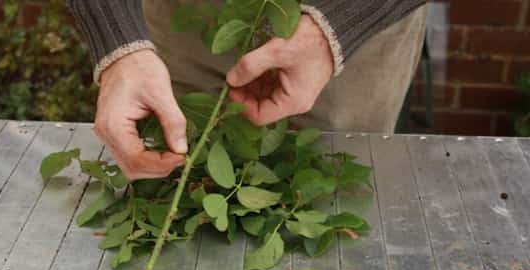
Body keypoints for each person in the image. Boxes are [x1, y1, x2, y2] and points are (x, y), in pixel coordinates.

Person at [67, 0, 428, 180]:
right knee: (174, 175)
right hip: (187, 20)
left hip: (353, 26)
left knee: (333, 198)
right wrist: (117, 42)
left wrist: (337, 30)